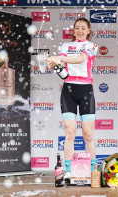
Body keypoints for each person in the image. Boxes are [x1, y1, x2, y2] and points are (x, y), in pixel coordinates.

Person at [46, 17, 98, 182]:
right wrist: (52, 63)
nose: (80, 31)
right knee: (69, 132)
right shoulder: (65, 46)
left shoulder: (92, 46)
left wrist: (60, 58)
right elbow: (59, 66)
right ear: (73, 30)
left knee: (88, 134)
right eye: (77, 28)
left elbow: (81, 59)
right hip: (68, 89)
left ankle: (93, 170)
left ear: (89, 31)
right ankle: (67, 170)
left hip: (85, 90)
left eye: (83, 28)